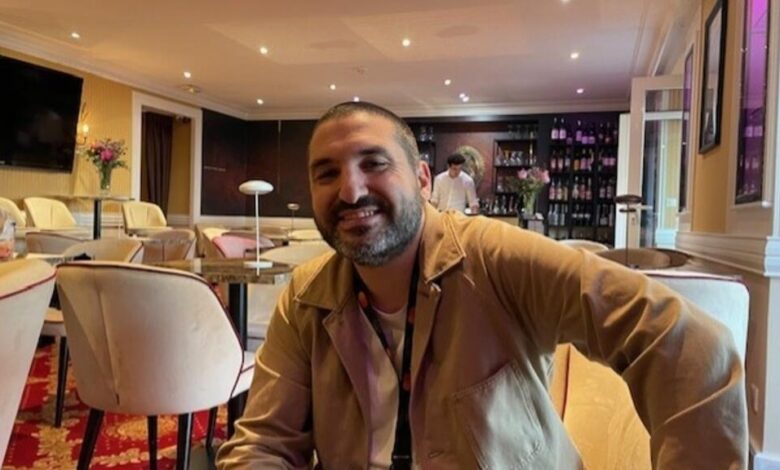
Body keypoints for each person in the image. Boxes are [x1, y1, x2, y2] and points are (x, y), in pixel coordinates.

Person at [217, 102, 747, 469]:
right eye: (326, 173)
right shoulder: (305, 298)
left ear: (423, 180)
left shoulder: (495, 258)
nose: (351, 191)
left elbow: (688, 343)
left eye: (374, 164)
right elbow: (264, 443)